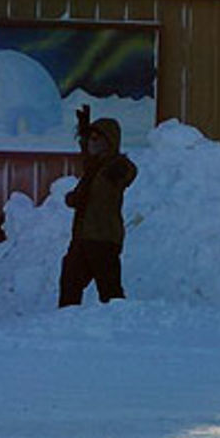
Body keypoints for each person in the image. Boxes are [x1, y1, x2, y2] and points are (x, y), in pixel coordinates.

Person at [59, 107, 138, 307]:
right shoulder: (93, 167)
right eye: (91, 138)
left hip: (103, 238)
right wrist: (83, 129)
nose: (91, 141)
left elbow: (128, 173)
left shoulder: (116, 166)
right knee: (69, 283)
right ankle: (64, 326)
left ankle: (119, 328)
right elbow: (87, 150)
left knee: (110, 292)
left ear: (109, 142)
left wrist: (78, 197)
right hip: (82, 236)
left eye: (97, 138)